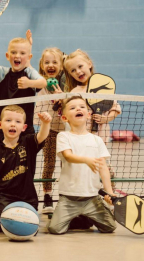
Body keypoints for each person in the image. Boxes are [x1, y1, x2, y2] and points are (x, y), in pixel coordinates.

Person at [47, 95, 116, 235]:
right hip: (68, 198)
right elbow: (68, 156)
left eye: (82, 107)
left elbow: (103, 167)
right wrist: (86, 160)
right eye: (72, 108)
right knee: (55, 229)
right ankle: (78, 217)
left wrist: (109, 192)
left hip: (92, 198)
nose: (78, 108)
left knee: (110, 227)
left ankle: (84, 216)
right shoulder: (63, 136)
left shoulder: (97, 140)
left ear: (89, 115)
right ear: (65, 118)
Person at [0, 105, 52, 231]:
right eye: (8, 120)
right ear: (0, 125)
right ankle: (3, 223)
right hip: (3, 199)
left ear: (24, 127)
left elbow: (42, 136)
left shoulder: (28, 143)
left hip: (29, 199)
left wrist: (46, 123)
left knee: (27, 226)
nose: (13, 124)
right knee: (15, 221)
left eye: (18, 122)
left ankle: (0, 225)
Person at [0, 28, 46, 143]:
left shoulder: (29, 73)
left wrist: (29, 83)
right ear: (7, 56)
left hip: (25, 129)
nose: (17, 56)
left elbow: (43, 82)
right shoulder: (1, 73)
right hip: (4, 129)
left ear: (29, 58)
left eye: (22, 53)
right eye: (13, 52)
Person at [33, 47, 66, 214]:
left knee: (67, 164)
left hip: (67, 131)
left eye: (55, 62)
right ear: (41, 65)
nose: (50, 65)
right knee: (49, 163)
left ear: (61, 65)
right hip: (50, 130)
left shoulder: (67, 86)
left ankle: (66, 196)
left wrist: (63, 100)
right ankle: (47, 196)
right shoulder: (41, 88)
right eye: (47, 62)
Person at [63, 49, 121, 142]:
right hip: (80, 136)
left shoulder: (103, 87)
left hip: (101, 135)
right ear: (71, 74)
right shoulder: (74, 92)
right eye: (73, 70)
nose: (78, 71)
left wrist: (106, 119)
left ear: (89, 64)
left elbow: (115, 109)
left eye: (80, 66)